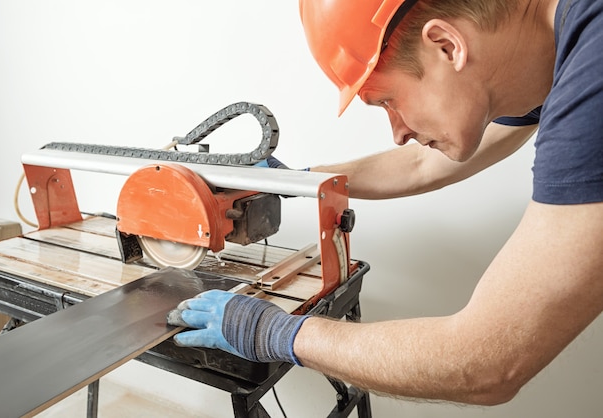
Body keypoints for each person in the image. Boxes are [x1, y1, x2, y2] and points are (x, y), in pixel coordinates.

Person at [167, 0, 603, 406]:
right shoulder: (553, 47)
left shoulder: (595, 71)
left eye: (388, 101)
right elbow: (421, 164)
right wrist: (299, 180)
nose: (397, 131)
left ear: (446, 46)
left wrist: (274, 331)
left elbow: (485, 360)